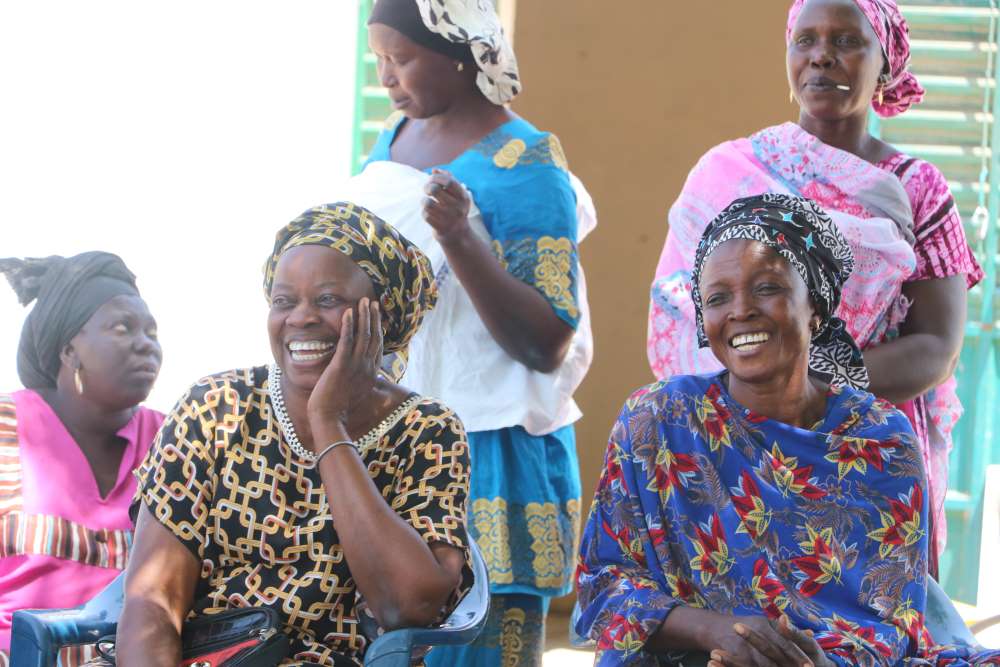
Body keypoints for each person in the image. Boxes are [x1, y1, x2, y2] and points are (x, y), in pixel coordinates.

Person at [578, 194, 1000, 667]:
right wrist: (720, 632)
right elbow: (604, 589)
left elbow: (893, 624)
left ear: (815, 305)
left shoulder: (880, 440)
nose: (740, 311)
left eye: (767, 288)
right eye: (717, 298)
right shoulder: (660, 420)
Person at [646, 0, 982, 572]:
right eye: (805, 40)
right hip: (731, 443)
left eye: (848, 41)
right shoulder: (729, 172)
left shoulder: (918, 188)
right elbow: (678, 308)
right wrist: (753, 398)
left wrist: (803, 388)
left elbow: (936, 348)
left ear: (886, 62)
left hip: (860, 453)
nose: (821, 55)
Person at [113, 203, 471, 667]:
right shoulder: (216, 408)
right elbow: (153, 600)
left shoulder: (427, 431)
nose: (300, 318)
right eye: (284, 301)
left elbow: (407, 606)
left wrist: (328, 423)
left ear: (381, 315)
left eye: (327, 299)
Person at [351, 0, 596, 663]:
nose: (386, 80)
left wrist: (459, 236)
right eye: (378, 61)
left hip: (490, 451)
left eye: (400, 60)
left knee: (476, 644)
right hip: (398, 437)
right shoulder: (395, 137)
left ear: (461, 53)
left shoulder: (527, 162)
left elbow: (546, 341)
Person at [0, 252, 164, 667]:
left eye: (151, 331)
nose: (146, 343)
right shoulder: (5, 429)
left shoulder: (174, 440)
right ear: (70, 349)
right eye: (123, 328)